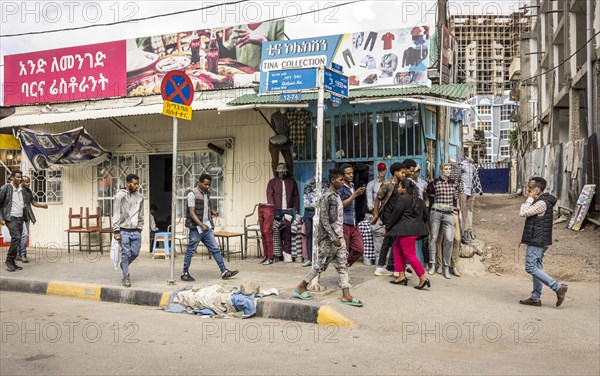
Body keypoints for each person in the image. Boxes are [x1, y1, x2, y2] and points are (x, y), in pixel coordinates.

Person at [293, 168, 363, 307]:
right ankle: (302, 286)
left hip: (339, 236)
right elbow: (324, 220)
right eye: (340, 180)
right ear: (332, 180)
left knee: (343, 266)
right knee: (320, 265)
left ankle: (346, 295)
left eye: (343, 180)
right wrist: (332, 237)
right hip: (329, 239)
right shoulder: (326, 196)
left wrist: (338, 236)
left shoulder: (337, 196)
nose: (343, 182)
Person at [518, 177, 568, 307]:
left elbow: (523, 212)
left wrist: (529, 198)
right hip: (539, 239)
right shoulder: (541, 201)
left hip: (537, 240)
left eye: (530, 187)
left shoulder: (541, 203)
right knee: (537, 268)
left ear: (536, 189)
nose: (528, 190)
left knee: (530, 267)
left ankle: (557, 287)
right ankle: (535, 298)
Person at [182, 174, 239, 281]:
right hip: (196, 228)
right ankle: (184, 272)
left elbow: (205, 207)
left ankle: (224, 271)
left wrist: (212, 212)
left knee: (215, 249)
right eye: (205, 184)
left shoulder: (207, 193)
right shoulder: (192, 194)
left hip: (206, 227)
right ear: (199, 182)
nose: (208, 186)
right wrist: (201, 225)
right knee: (190, 250)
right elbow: (192, 212)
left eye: (209, 184)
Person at [386, 179, 430, 289]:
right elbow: (426, 215)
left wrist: (387, 227)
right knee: (396, 250)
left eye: (399, 187)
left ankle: (423, 278)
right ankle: (401, 276)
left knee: (410, 255)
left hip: (406, 231)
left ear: (405, 189)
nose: (398, 189)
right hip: (412, 230)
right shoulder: (419, 200)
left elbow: (395, 214)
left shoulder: (402, 199)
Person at [371, 162, 405, 276]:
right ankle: (394, 267)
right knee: (394, 241)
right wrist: (376, 215)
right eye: (402, 172)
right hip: (388, 217)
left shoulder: (401, 186)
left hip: (396, 217)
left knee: (388, 241)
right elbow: (378, 199)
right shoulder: (387, 184)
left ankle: (384, 266)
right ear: (396, 173)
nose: (404, 174)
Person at [426, 163, 459, 279]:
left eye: (449, 169)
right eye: (446, 169)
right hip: (436, 211)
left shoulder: (453, 183)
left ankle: (446, 267)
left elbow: (455, 199)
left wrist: (457, 211)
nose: (448, 171)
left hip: (449, 213)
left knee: (449, 239)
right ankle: (433, 265)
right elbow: (429, 197)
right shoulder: (434, 183)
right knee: (433, 237)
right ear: (441, 170)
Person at [112, 174, 144, 287]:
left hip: (136, 230)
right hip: (123, 230)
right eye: (134, 184)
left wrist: (140, 227)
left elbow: (141, 213)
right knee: (125, 253)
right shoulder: (119, 196)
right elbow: (116, 214)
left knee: (135, 253)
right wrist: (116, 231)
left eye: (137, 183)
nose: (137, 186)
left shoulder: (140, 197)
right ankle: (126, 276)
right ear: (128, 183)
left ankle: (123, 264)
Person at [266, 163, 299, 263]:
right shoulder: (272, 182)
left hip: (288, 210)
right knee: (276, 231)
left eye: (283, 171)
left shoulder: (291, 181)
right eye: (279, 172)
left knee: (287, 232)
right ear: (277, 171)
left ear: (285, 171)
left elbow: (296, 195)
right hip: (276, 210)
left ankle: (287, 253)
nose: (281, 173)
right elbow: (269, 195)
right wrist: (272, 208)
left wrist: (296, 208)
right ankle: (277, 254)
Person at [338, 163, 365, 267]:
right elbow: (341, 205)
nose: (351, 175)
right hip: (344, 222)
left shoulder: (352, 185)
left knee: (360, 248)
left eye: (352, 173)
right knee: (344, 250)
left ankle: (344, 266)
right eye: (348, 173)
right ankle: (342, 271)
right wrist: (355, 195)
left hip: (353, 222)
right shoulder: (340, 188)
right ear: (342, 175)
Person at [17, 175, 49, 263]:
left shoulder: (29, 192)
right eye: (26, 182)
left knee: (24, 235)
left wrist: (42, 206)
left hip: (27, 216)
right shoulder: (18, 191)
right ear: (21, 182)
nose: (28, 183)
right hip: (19, 216)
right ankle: (23, 254)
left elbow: (33, 202)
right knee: (23, 235)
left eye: (29, 182)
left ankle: (18, 254)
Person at [0, 170, 25, 272]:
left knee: (17, 240)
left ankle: (13, 262)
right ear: (12, 177)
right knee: (16, 237)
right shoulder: (5, 188)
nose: (20, 179)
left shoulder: (21, 189)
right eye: (18, 177)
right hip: (11, 218)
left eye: (20, 177)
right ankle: (9, 260)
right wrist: (1, 218)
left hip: (20, 218)